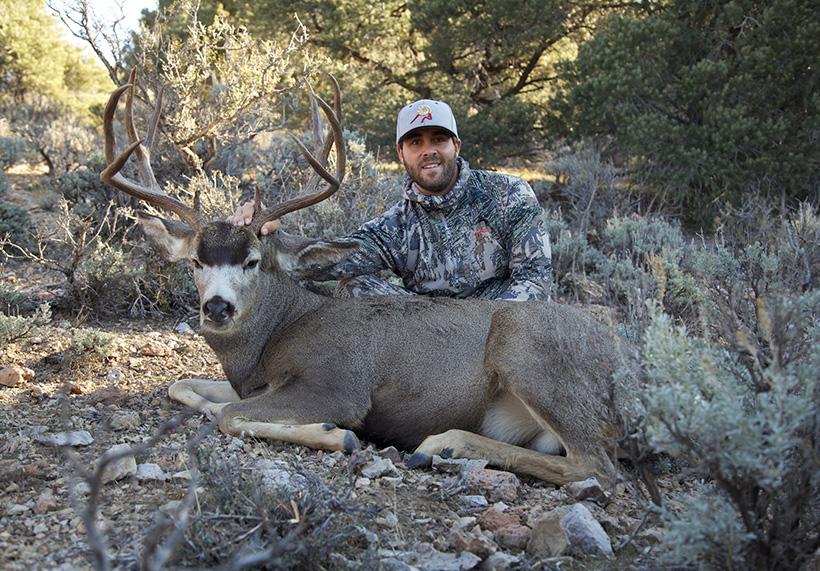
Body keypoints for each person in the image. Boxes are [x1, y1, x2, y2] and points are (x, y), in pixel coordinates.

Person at [230, 99, 553, 301]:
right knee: (354, 288)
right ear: (401, 153)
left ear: (456, 145)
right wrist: (270, 234)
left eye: (439, 139)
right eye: (416, 142)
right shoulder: (394, 226)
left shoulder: (508, 193)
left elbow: (535, 280)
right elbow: (330, 260)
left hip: (504, 332)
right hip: (435, 334)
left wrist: (481, 335)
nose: (428, 150)